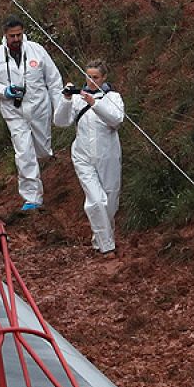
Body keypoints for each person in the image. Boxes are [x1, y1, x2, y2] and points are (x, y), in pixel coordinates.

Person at [0, 16, 63, 211]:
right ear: (5, 35)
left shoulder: (37, 51)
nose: (16, 39)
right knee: (24, 152)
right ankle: (32, 197)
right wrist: (4, 91)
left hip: (39, 108)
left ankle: (43, 168)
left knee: (42, 149)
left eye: (19, 35)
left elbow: (53, 80)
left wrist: (60, 108)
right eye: (12, 36)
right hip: (14, 111)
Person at [54, 61, 124, 255]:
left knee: (110, 201)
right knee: (96, 201)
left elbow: (116, 120)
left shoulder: (113, 97)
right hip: (83, 155)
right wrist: (66, 99)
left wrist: (95, 104)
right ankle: (107, 246)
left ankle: (99, 239)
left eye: (96, 77)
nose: (91, 81)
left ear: (104, 78)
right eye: (88, 77)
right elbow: (60, 121)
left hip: (108, 154)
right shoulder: (77, 99)